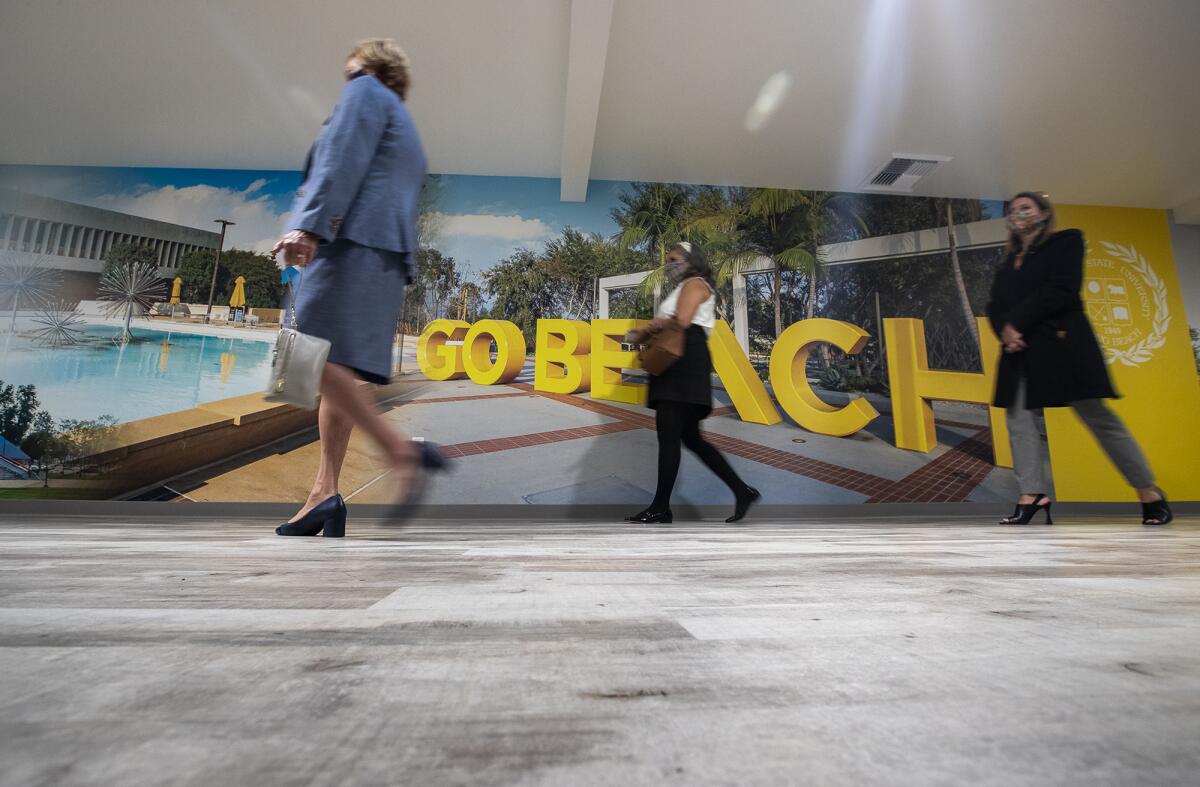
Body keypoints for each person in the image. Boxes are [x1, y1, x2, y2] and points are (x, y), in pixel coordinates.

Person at [273, 39, 445, 538]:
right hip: (385, 256)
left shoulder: (365, 91)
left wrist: (309, 226)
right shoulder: (406, 128)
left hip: (349, 242)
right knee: (336, 366)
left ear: (371, 66)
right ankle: (323, 494)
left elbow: (339, 160)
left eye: (351, 66)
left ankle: (399, 452)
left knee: (308, 353)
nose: (344, 74)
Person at [985, 191, 1171, 526]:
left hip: (1061, 345)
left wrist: (1017, 323)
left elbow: (1061, 290)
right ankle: (1032, 495)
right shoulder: (1006, 265)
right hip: (1019, 351)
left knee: (1096, 416)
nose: (1019, 215)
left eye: (1025, 208)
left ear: (1043, 213)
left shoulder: (1067, 242)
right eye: (1013, 211)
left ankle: (1149, 492)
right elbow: (994, 305)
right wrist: (1006, 331)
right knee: (1018, 418)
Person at [624, 242, 760, 524]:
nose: (670, 264)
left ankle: (661, 507)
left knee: (670, 434)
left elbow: (682, 320)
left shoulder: (696, 284)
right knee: (690, 438)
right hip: (681, 358)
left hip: (684, 359)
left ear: (691, 260)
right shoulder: (684, 286)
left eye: (675, 259)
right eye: (668, 261)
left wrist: (644, 330)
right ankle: (742, 491)